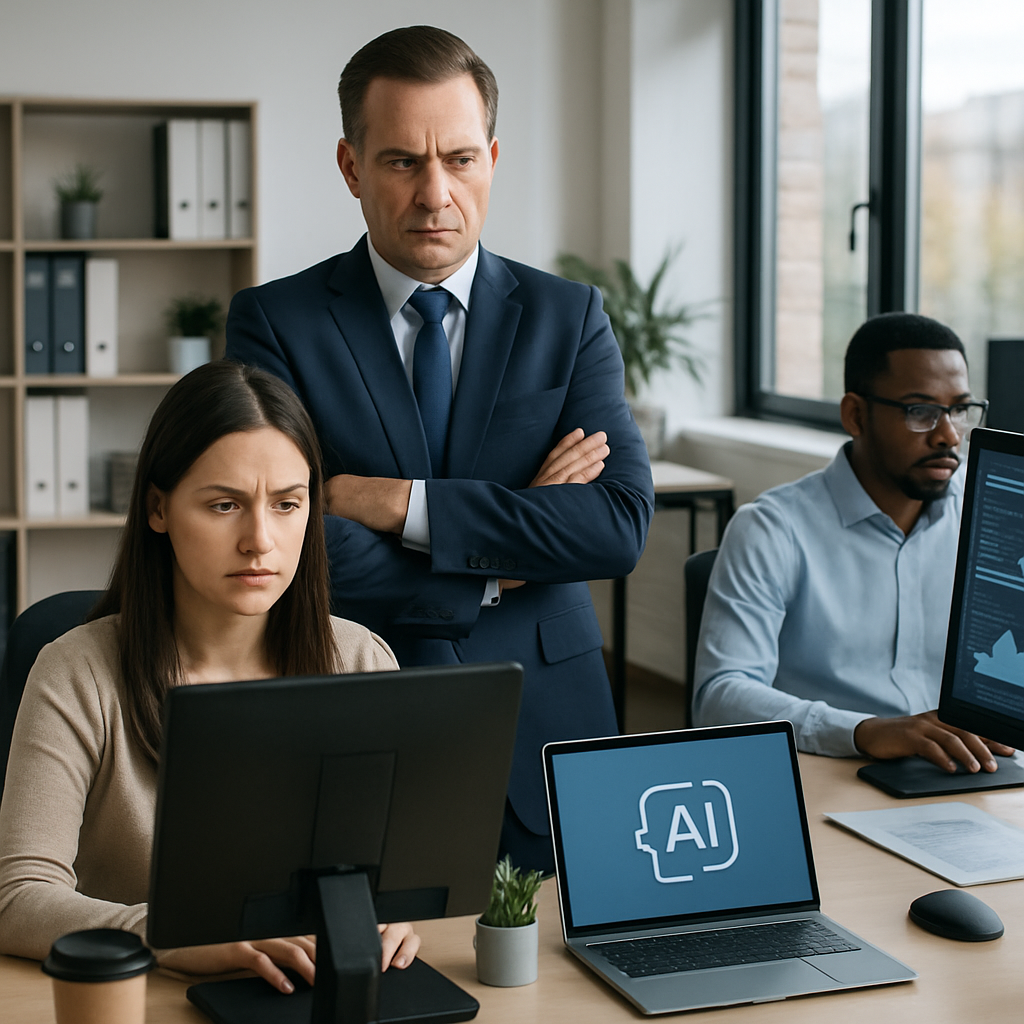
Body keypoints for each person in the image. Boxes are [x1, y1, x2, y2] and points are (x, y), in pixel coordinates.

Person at [225, 26, 653, 872]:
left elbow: (615, 526)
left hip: (549, 726)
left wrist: (398, 504)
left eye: (459, 159)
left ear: (492, 157)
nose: (435, 194)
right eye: (400, 162)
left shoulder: (570, 318)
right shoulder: (276, 323)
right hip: (352, 715)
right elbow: (291, 536)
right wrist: (509, 551)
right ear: (351, 167)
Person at [0, 361, 419, 993]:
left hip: (314, 991)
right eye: (225, 505)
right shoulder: (76, 671)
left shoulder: (361, 661)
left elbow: (396, 876)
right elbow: (17, 899)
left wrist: (394, 916)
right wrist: (167, 934)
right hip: (143, 995)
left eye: (287, 505)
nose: (260, 540)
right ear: (158, 508)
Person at [692, 312, 1014, 773]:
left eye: (960, 410)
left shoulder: (989, 519)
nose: (948, 435)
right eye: (920, 411)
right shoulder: (772, 528)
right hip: (837, 772)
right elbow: (718, 698)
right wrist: (863, 731)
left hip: (977, 771)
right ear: (855, 415)